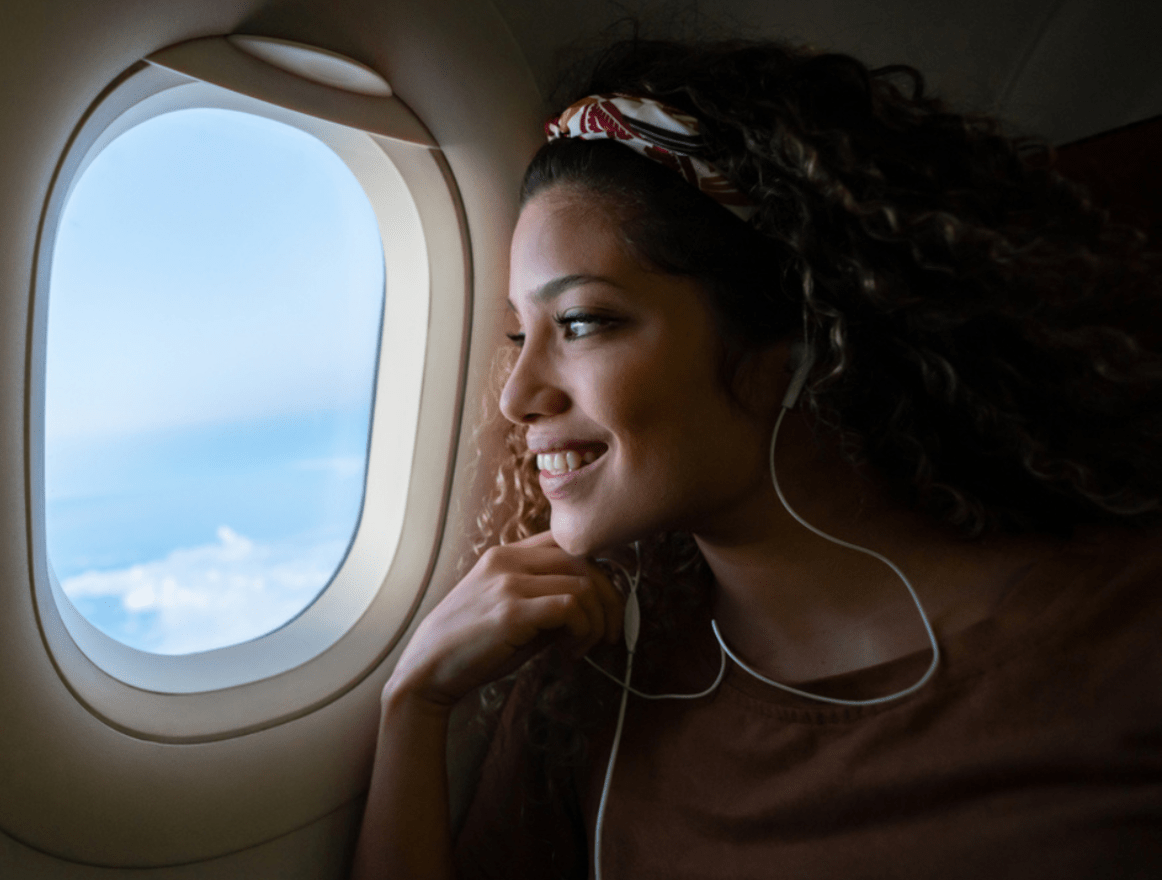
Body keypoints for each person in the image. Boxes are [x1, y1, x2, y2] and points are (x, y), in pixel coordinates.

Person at [351, 36, 1162, 880]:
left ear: (803, 335)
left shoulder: (1126, 635)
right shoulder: (597, 678)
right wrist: (414, 705)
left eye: (585, 323)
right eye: (521, 335)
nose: (518, 395)